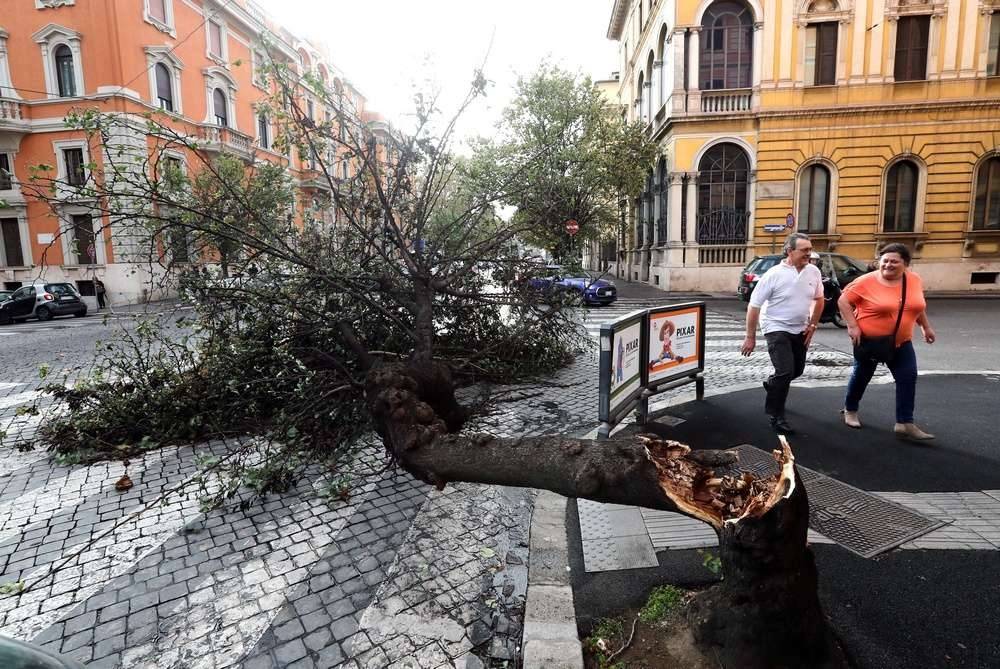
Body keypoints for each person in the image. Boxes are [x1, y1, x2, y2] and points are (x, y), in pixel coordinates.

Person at [837, 243, 936, 440]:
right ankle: (850, 410)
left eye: (894, 261)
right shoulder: (865, 282)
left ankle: (904, 423)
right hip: (870, 342)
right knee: (862, 376)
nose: (888, 265)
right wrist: (853, 326)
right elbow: (843, 301)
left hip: (902, 342)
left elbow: (916, 306)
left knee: (908, 378)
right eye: (885, 261)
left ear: (905, 264)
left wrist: (925, 326)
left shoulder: (913, 280)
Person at [741, 233, 824, 434]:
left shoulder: (813, 271)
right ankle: (776, 415)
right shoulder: (773, 274)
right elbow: (754, 306)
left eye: (810, 249)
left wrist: (812, 325)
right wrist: (750, 337)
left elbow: (819, 299)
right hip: (775, 327)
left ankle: (773, 384)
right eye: (804, 250)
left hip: (800, 328)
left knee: (797, 370)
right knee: (785, 371)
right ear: (789, 251)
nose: (809, 253)